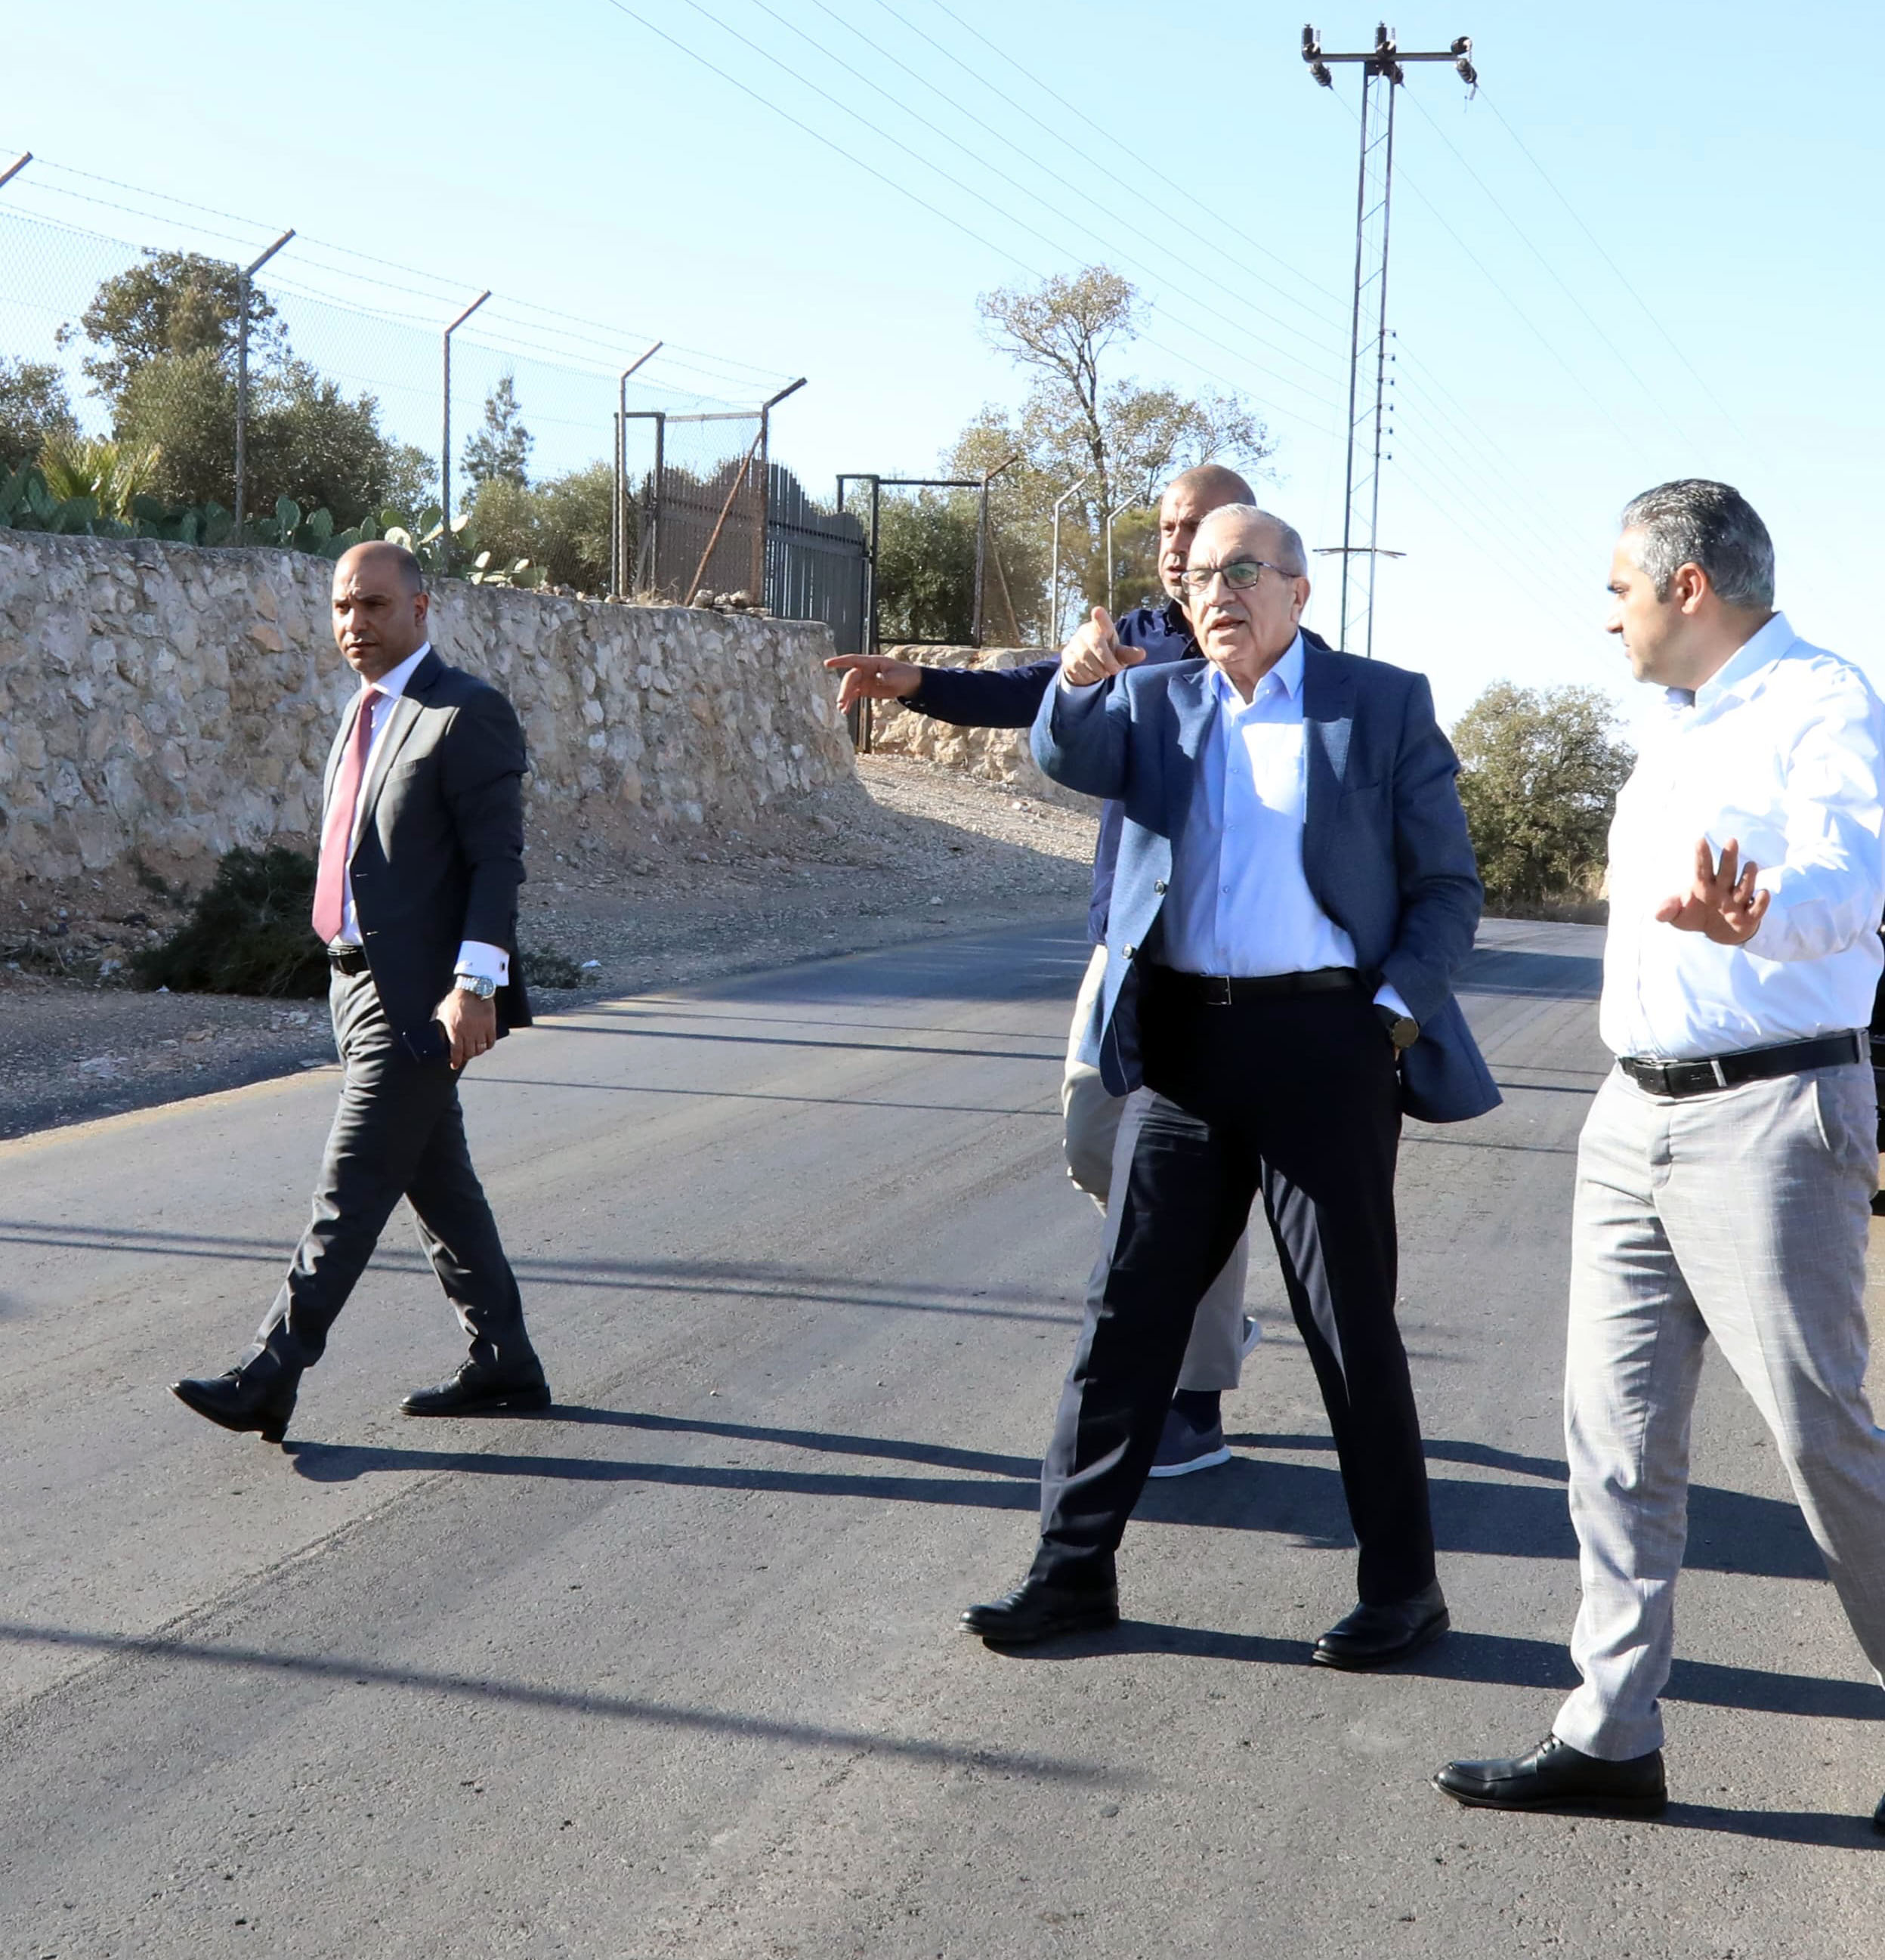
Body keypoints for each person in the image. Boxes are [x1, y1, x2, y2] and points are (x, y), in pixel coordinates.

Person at [961, 502, 1497, 1654]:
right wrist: (1076, 680)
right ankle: (1069, 1572)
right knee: (1124, 1316)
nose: (1217, 593)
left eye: (1244, 571)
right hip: (1185, 1052)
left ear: (1298, 590)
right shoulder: (1153, 699)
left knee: (1346, 1324)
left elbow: (1447, 887)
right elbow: (1066, 754)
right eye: (1200, 575)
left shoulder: (1377, 701)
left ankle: (1401, 1587)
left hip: (1326, 1045)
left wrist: (1391, 1013)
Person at [1435, 482, 1885, 1832]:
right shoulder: (1674, 726)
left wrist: (1763, 916)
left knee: (1820, 1438)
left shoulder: (1819, 699)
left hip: (1770, 1115)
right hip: (1629, 1117)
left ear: (1688, 585)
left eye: (1618, 587)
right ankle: (1610, 1729)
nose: (1607, 614)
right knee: (1614, 1438)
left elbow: (1851, 874)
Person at [827, 465, 1321, 1476]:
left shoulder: (1277, 657)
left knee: (1186, 1173)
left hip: (1231, 968)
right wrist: (919, 682)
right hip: (1128, 947)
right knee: (1094, 1142)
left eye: (1197, 528)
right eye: (1166, 528)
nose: (1177, 546)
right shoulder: (1131, 633)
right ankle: (1201, 1303)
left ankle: (1192, 1391)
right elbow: (1035, 690)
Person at [171, 541, 550, 1442]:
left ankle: (269, 1371)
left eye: (374, 605)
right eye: (343, 606)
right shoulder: (362, 710)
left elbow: (497, 863)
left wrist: (474, 984)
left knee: (350, 1185)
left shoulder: (466, 711)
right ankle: (504, 1358)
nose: (355, 623)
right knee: (436, 1180)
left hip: (419, 999)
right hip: (351, 984)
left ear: (420, 608)